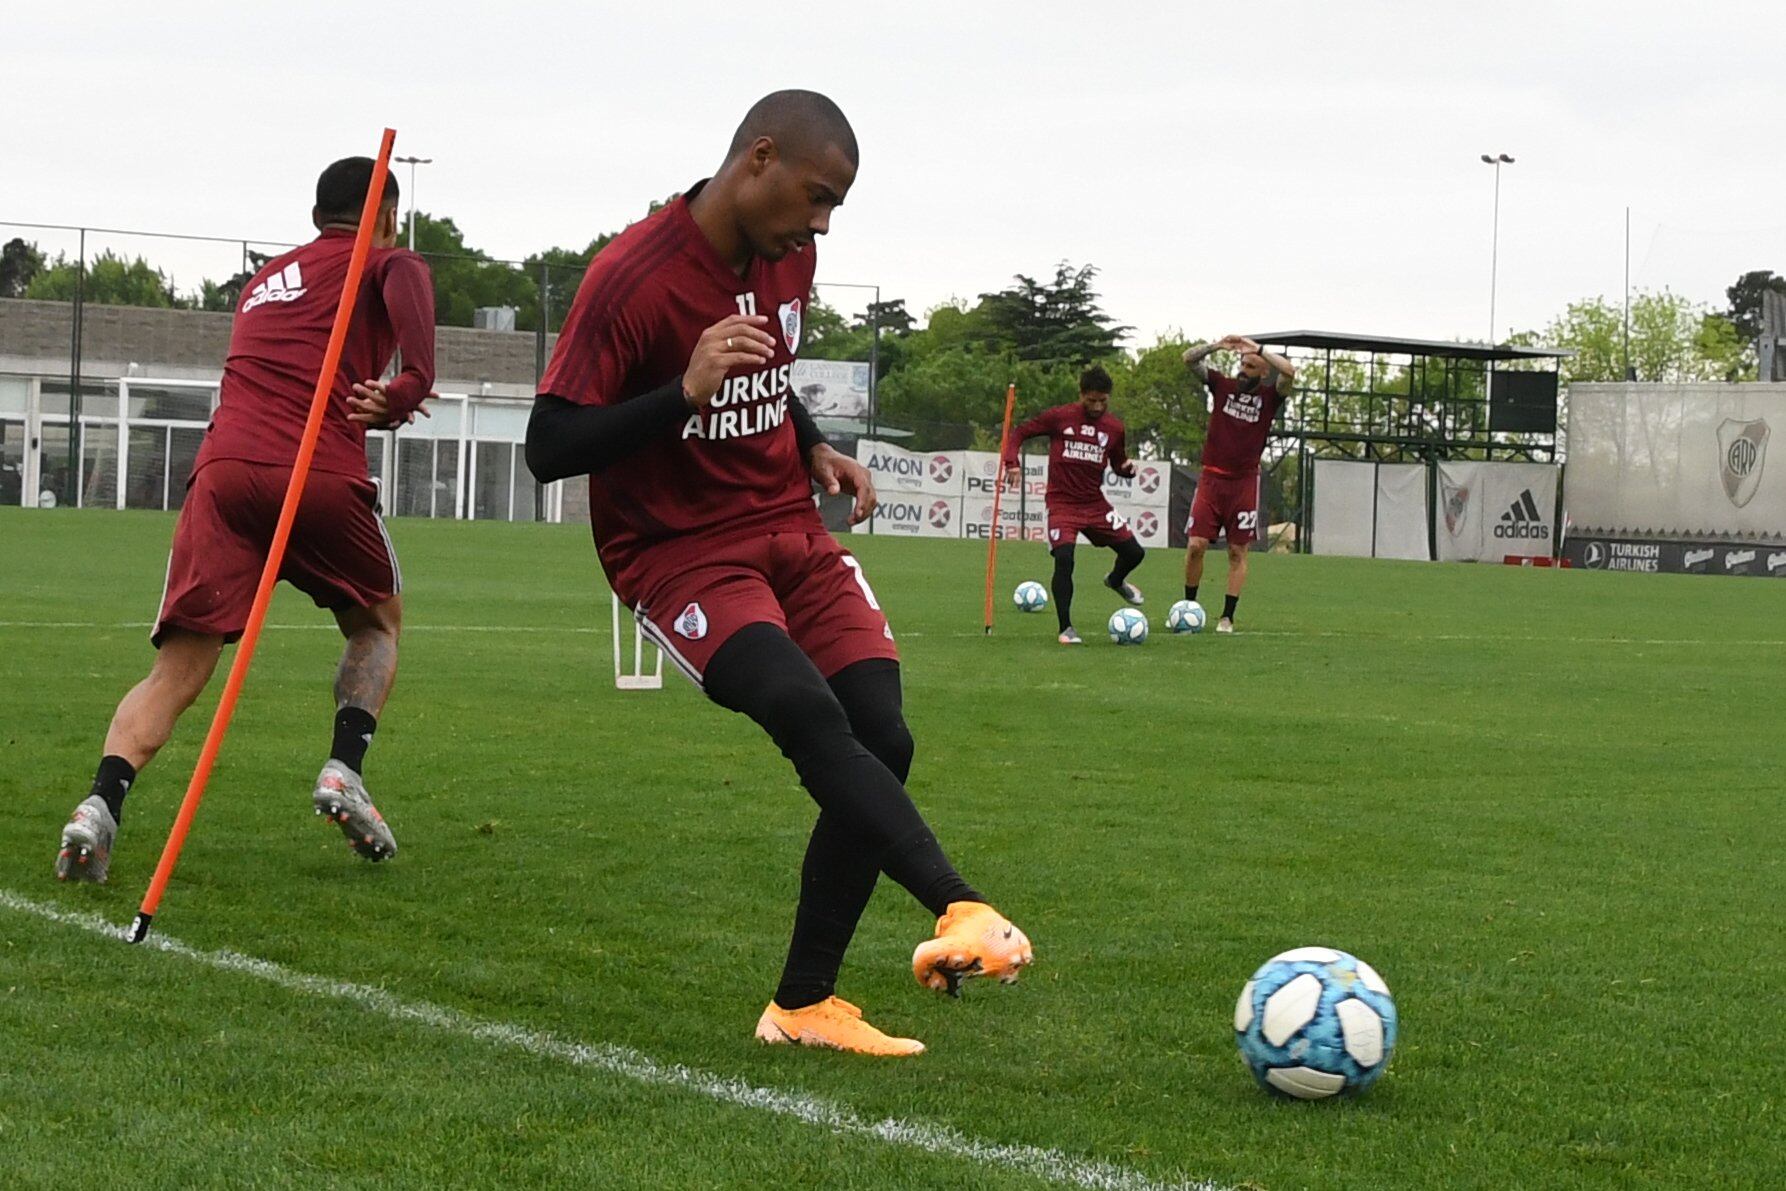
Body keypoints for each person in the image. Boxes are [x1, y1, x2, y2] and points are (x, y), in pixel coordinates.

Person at [525, 90, 1031, 1058]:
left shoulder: (788, 255)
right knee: (806, 714)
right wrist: (681, 392)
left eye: (834, 204)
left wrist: (813, 444)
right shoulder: (628, 278)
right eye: (815, 196)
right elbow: (548, 446)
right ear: (757, 158)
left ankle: (804, 1004)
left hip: (787, 527)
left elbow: (770, 370)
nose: (822, 222)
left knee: (882, 733)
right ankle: (958, 904)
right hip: (678, 553)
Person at [56, 157, 436, 883]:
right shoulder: (391, 258)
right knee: (376, 621)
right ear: (384, 213)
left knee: (179, 667)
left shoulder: (263, 283)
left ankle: (98, 805)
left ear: (317, 216)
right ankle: (343, 768)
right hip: (315, 473)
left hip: (225, 474)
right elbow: (400, 284)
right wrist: (409, 384)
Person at [999, 366, 1144, 644]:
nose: (1098, 406)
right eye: (1092, 400)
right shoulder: (1060, 417)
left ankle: (1115, 580)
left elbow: (1118, 462)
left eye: (1103, 400)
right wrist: (1012, 463)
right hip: (1062, 504)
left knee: (1135, 553)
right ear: (1081, 395)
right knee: (1065, 558)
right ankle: (1066, 628)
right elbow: (1019, 433)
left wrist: (1127, 469)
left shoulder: (1114, 428)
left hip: (1095, 503)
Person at [1179, 335, 1296, 632]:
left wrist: (1258, 350)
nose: (1242, 370)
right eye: (1242, 364)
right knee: (1196, 545)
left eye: (1250, 366)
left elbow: (1290, 372)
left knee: (1236, 551)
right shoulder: (1222, 386)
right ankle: (1188, 608)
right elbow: (1188, 358)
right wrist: (1217, 346)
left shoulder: (1271, 397)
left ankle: (1227, 616)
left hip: (1244, 483)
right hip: (1211, 478)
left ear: (1263, 371)